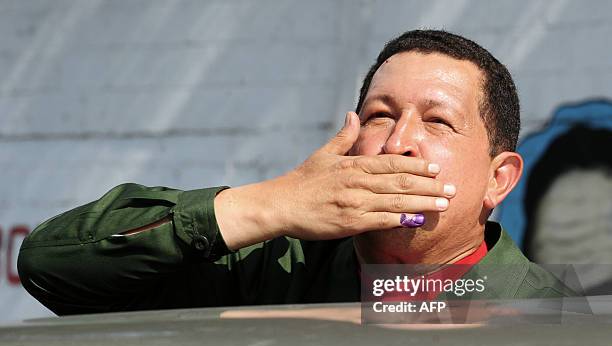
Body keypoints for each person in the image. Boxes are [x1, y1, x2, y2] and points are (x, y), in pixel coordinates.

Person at [18, 30, 573, 316]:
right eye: (380, 116)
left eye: (437, 122)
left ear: (499, 179)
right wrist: (272, 205)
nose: (399, 143)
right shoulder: (271, 268)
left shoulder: (557, 323)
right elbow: (51, 266)